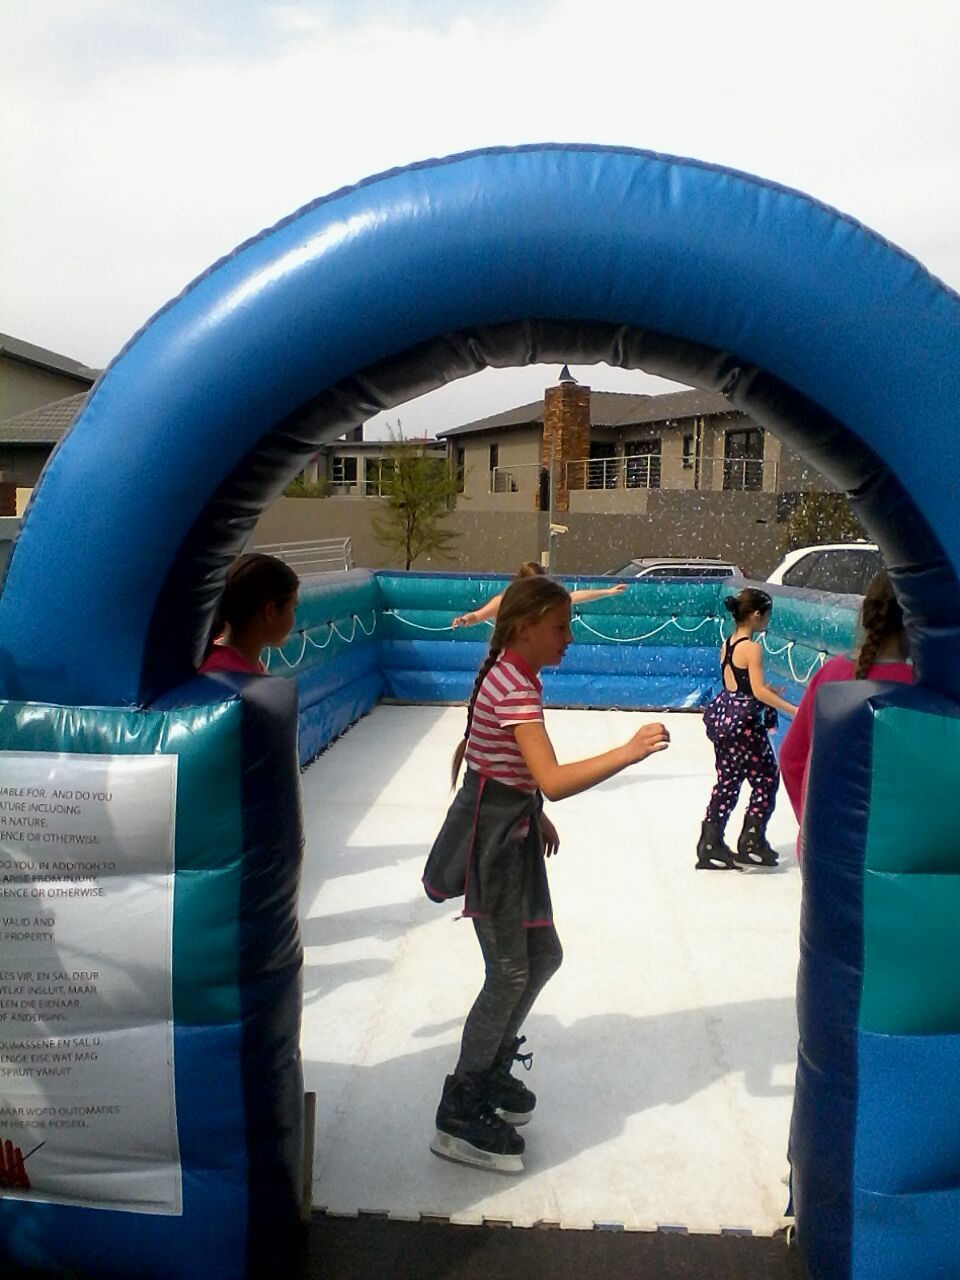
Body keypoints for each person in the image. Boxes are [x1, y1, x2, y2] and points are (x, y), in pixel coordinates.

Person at [422, 574, 670, 1172]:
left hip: (512, 828)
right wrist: (627, 750)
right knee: (510, 972)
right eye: (560, 628)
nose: (569, 638)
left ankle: (491, 1064)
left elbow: (502, 764)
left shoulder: (514, 674)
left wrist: (532, 810)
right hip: (494, 844)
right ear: (524, 627)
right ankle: (462, 1103)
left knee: (543, 956)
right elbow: (553, 779)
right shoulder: (514, 687)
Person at [779, 569, 912, 830]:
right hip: (898, 843)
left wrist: (812, 826)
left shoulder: (830, 673)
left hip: (829, 841)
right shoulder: (918, 685)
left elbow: (791, 757)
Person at [697, 587, 797, 870]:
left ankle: (710, 841)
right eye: (767, 615)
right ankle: (752, 839)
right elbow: (756, 692)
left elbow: (738, 686)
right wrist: (793, 710)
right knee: (766, 778)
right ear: (755, 615)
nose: (767, 621)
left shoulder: (728, 643)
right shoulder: (752, 648)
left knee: (728, 781)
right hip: (744, 726)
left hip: (724, 719)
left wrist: (763, 690)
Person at [199, 553, 300, 675]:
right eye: (293, 609)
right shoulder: (231, 675)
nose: (294, 619)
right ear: (270, 611)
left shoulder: (236, 662)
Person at [451, 561, 626, 628]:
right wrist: (465, 619)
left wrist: (607, 592)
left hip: (527, 663)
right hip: (506, 661)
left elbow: (576, 596)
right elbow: (478, 615)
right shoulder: (504, 602)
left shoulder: (543, 601)